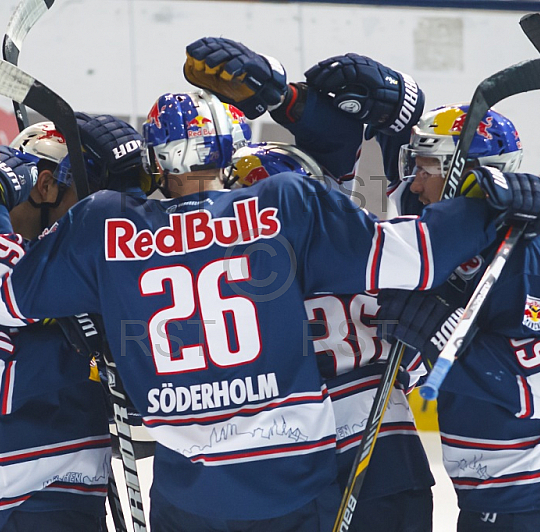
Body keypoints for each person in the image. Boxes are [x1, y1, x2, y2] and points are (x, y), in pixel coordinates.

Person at [0, 72, 540, 532]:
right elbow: (418, 254)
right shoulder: (284, 203)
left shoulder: (104, 225)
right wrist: (495, 200)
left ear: (157, 161)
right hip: (293, 477)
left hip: (187, 493)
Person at [186, 37, 436, 531]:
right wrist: (401, 110)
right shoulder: (372, 254)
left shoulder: (223, 282)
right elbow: (409, 177)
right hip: (386, 457)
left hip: (278, 469)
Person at [372, 104, 540, 531]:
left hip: (536, 478)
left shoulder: (526, 253)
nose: (416, 181)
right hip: (507, 476)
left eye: (428, 167)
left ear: (465, 172)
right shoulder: (477, 231)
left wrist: (437, 330)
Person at [0, 114, 147, 531]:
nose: (91, 217)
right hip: (16, 495)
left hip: (67, 489)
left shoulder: (68, 264)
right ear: (45, 186)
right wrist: (90, 346)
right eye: (85, 198)